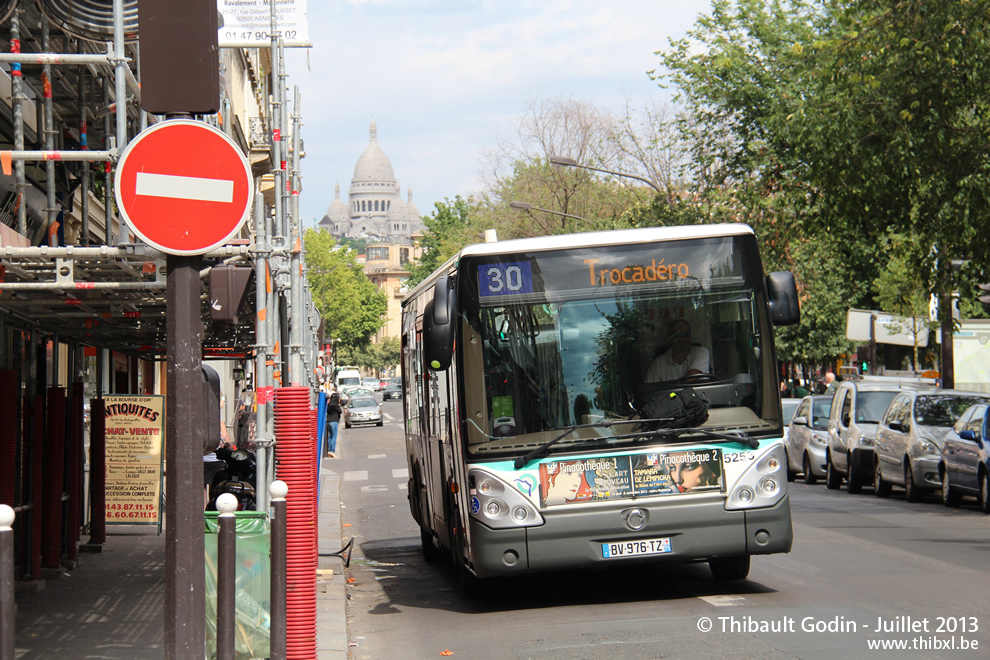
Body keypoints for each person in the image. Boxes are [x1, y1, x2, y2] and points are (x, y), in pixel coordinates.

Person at [645, 319, 710, 382]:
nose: (680, 339)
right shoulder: (658, 364)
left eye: (684, 335)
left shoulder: (701, 352)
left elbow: (693, 377)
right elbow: (650, 390)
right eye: (676, 335)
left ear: (690, 337)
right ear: (669, 338)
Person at [204, 394, 234, 508]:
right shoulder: (219, 422)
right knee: (215, 487)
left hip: (202, 459)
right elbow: (226, 440)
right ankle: (213, 508)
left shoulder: (201, 421)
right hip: (216, 459)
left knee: (202, 487)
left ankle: (203, 510)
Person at [325, 392, 342, 458]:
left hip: (328, 421)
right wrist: (339, 404)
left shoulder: (329, 405)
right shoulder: (336, 405)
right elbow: (340, 411)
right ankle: (332, 451)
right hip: (334, 421)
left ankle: (328, 450)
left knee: (329, 436)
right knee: (334, 437)